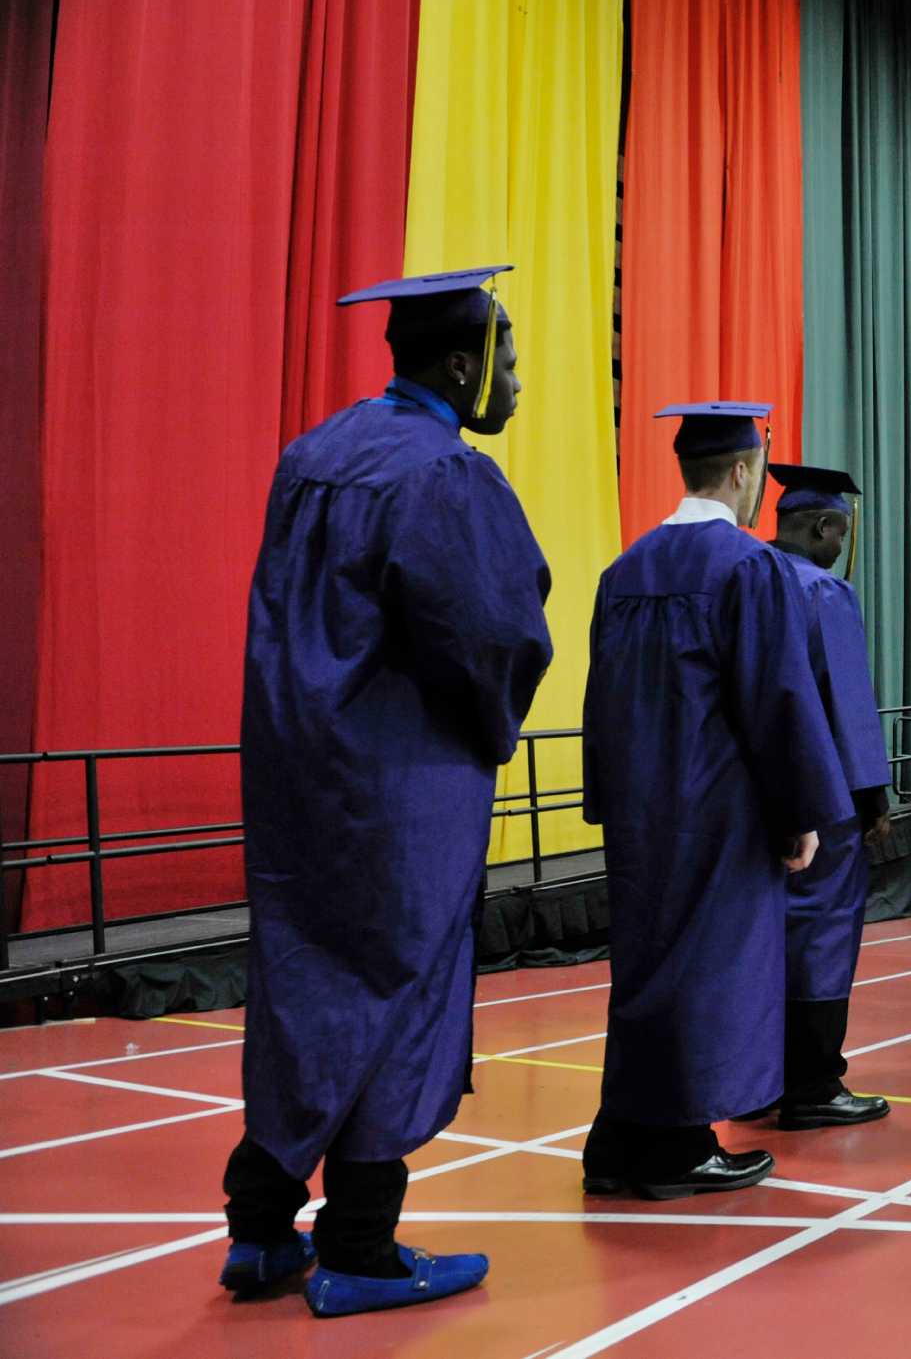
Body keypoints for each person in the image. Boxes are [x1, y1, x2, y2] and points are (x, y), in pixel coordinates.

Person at [225, 267, 552, 1316]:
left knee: (302, 991)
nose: (514, 382)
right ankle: (361, 1249)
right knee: (397, 996)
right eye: (506, 361)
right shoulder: (442, 477)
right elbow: (494, 633)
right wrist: (490, 718)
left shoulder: (311, 457)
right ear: (462, 365)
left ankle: (260, 1232)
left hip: (295, 775)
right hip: (400, 784)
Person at [581, 401, 852, 1200]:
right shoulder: (746, 568)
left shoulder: (623, 571)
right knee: (707, 975)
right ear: (742, 473)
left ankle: (616, 1140)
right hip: (717, 813)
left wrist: (606, 799)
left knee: (642, 974)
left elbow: (600, 698)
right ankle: (677, 1146)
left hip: (641, 811)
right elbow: (777, 700)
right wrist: (798, 811)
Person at [757, 463, 894, 1131]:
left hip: (747, 797)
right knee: (821, 932)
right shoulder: (823, 592)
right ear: (822, 525)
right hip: (822, 796)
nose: (840, 547)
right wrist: (873, 799)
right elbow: (848, 705)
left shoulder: (745, 576)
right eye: (837, 533)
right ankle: (814, 1083)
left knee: (762, 936)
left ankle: (756, 1078)